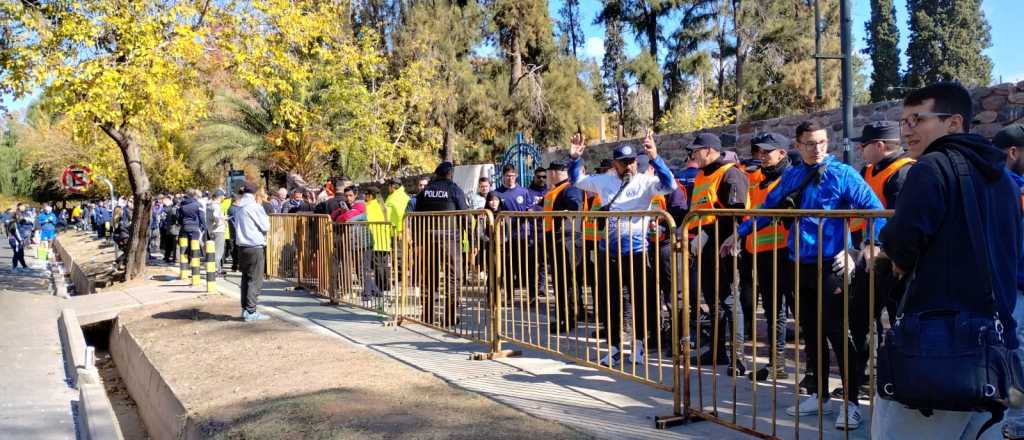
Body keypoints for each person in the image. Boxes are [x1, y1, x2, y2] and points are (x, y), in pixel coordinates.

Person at [871, 83, 1022, 440]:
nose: (906, 130)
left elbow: (900, 241)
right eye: (904, 120)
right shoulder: (1002, 178)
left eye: (917, 119)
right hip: (992, 344)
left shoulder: (932, 167)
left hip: (937, 343)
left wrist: (890, 261)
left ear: (954, 123)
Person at [721, 121, 885, 430]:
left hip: (833, 267)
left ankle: (850, 403)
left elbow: (875, 210)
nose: (817, 148)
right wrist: (739, 234)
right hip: (800, 265)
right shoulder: (793, 175)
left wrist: (861, 249)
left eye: (822, 142)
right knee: (811, 333)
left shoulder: (843, 174)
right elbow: (767, 210)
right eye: (810, 143)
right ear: (798, 145)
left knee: (839, 333)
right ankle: (818, 394)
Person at [568, 132, 678, 367]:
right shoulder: (604, 180)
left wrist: (655, 157)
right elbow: (577, 180)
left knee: (640, 300)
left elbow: (671, 185)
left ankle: (638, 346)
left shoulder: (645, 182)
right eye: (623, 162)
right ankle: (615, 347)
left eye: (631, 162)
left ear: (637, 162)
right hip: (609, 251)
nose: (628, 166)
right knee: (609, 301)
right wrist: (575, 157)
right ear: (615, 163)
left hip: (637, 252)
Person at [846, 121, 914, 399]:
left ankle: (902, 381)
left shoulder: (905, 173)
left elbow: (902, 220)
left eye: (863, 146)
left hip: (892, 262)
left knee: (899, 320)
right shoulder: (868, 170)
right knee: (861, 319)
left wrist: (884, 249)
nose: (860, 151)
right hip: (866, 258)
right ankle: (864, 378)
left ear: (880, 146)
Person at [685, 133, 750, 376]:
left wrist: (708, 234)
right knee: (713, 301)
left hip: (725, 246)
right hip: (705, 247)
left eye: (696, 150)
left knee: (729, 301)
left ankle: (738, 357)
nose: (693, 155)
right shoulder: (703, 175)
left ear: (710, 150)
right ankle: (717, 350)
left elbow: (735, 215)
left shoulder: (731, 174)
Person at [734, 132, 795, 382]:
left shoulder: (792, 179)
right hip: (763, 253)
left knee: (801, 312)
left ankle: (813, 370)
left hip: (789, 253)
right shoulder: (758, 179)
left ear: (782, 153)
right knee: (773, 311)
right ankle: (776, 363)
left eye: (767, 152)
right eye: (759, 151)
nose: (762, 156)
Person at [994, 124, 1024, 439]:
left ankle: (1015, 421)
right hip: (1013, 285)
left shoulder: (1005, 187)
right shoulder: (1008, 187)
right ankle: (1014, 420)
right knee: (1016, 354)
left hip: (1013, 285)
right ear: (1013, 153)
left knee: (1015, 354)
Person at [414, 162, 467, 326]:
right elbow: (466, 215)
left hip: (428, 239)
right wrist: (472, 238)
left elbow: (417, 217)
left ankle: (427, 315)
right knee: (453, 277)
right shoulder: (454, 189)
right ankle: (450, 316)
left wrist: (418, 241)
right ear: (450, 174)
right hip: (450, 239)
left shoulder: (425, 192)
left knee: (429, 278)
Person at [541, 160, 584, 334]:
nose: (548, 176)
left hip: (567, 240)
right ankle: (565, 318)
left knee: (565, 282)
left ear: (554, 173)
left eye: (549, 172)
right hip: (559, 239)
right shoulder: (557, 189)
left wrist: (569, 212)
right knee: (562, 281)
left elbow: (576, 204)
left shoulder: (569, 188)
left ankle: (567, 319)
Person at [496, 164, 537, 301]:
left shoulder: (523, 191)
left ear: (516, 176)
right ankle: (509, 295)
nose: (510, 179)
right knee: (508, 266)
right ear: (503, 177)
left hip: (523, 235)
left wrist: (531, 215)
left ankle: (532, 295)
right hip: (507, 237)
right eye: (507, 176)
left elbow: (529, 208)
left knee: (528, 265)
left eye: (512, 176)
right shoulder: (498, 193)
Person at [234, 181, 271, 322]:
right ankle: (251, 311)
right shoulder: (254, 207)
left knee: (245, 279)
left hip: (242, 247)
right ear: (255, 193)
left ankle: (245, 309)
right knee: (255, 280)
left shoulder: (238, 206)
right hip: (254, 246)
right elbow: (265, 226)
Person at [364, 187, 392, 294]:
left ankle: (380, 288)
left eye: (366, 195)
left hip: (375, 239)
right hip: (384, 239)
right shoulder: (384, 206)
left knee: (377, 266)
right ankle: (385, 286)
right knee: (383, 264)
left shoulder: (369, 207)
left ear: (370, 195)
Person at [177, 189, 206, 262]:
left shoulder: (182, 204)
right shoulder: (198, 204)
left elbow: (179, 216)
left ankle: (186, 263)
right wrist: (204, 226)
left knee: (185, 245)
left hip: (184, 226)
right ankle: (193, 262)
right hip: (195, 227)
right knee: (194, 244)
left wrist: (182, 223)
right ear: (194, 195)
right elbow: (201, 217)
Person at [207, 190, 228, 273]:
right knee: (219, 251)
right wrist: (223, 219)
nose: (224, 198)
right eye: (223, 196)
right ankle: (216, 270)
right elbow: (216, 217)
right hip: (218, 230)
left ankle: (217, 268)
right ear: (220, 197)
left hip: (212, 230)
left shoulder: (209, 205)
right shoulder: (216, 206)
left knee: (214, 250)